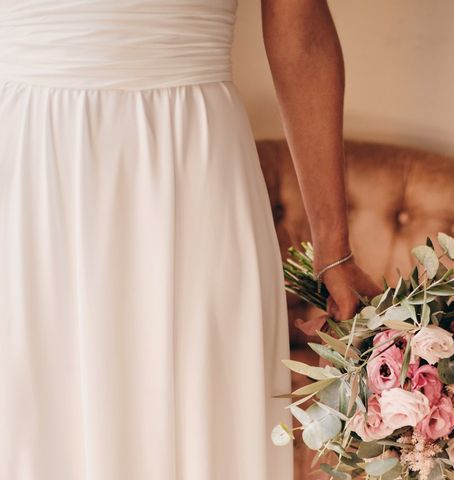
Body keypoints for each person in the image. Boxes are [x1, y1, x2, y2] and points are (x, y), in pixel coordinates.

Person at [0, 0, 381, 479]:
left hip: (192, 164)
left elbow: (301, 37)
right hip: (29, 161)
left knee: (204, 403)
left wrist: (333, 249)